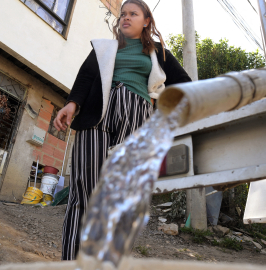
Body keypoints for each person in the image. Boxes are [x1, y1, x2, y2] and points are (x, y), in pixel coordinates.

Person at [54, 0, 191, 260]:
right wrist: (72, 104)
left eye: (133, 14)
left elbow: (184, 85)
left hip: (136, 117)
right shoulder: (104, 48)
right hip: (98, 112)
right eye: (123, 14)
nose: (125, 17)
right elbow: (84, 78)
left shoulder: (159, 53)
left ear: (146, 21)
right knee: (85, 190)